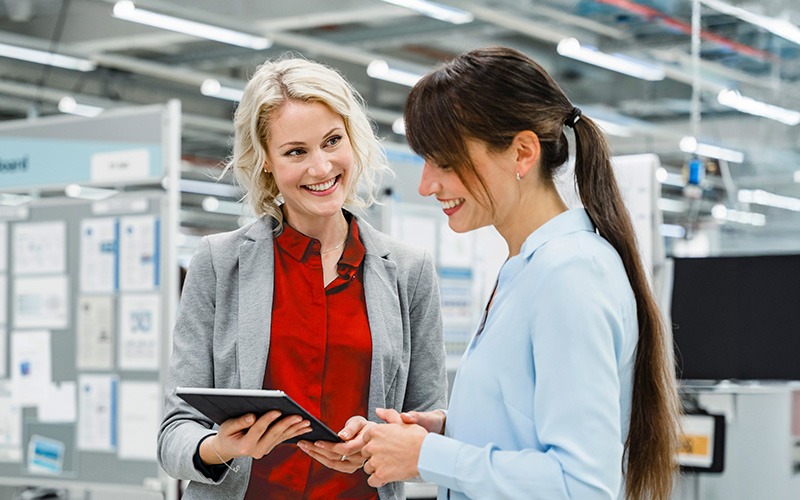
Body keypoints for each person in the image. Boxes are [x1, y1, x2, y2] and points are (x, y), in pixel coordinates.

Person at [359, 47, 681, 500]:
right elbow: (529, 428)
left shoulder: (569, 274)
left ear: (523, 153)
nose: (426, 184)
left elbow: (582, 485)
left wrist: (428, 456)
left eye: (446, 162)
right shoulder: (527, 268)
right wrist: (449, 431)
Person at [157, 57, 447, 500]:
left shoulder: (409, 270)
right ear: (266, 162)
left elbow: (432, 431)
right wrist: (219, 447)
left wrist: (380, 445)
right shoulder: (219, 263)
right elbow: (174, 434)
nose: (321, 168)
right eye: (296, 151)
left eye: (333, 141)